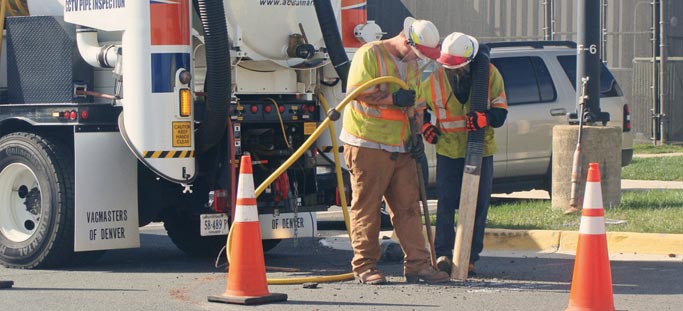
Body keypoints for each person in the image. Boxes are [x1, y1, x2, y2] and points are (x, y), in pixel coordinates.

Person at [340, 17, 450, 285]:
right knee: (366, 208)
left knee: (408, 207)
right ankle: (365, 266)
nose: (419, 58)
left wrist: (418, 136)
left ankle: (418, 265)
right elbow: (355, 93)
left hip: (401, 145)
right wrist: (392, 99)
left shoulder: (411, 64)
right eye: (419, 52)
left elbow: (417, 103)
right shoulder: (370, 54)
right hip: (368, 143)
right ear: (406, 41)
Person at [421, 32, 508, 276]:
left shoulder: (489, 75)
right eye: (450, 68)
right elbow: (418, 107)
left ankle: (469, 257)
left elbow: (501, 112)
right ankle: (443, 255)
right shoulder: (436, 78)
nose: (454, 72)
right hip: (448, 150)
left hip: (480, 150)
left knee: (478, 205)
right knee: (447, 203)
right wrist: (424, 126)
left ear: (470, 62)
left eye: (458, 68)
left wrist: (485, 118)